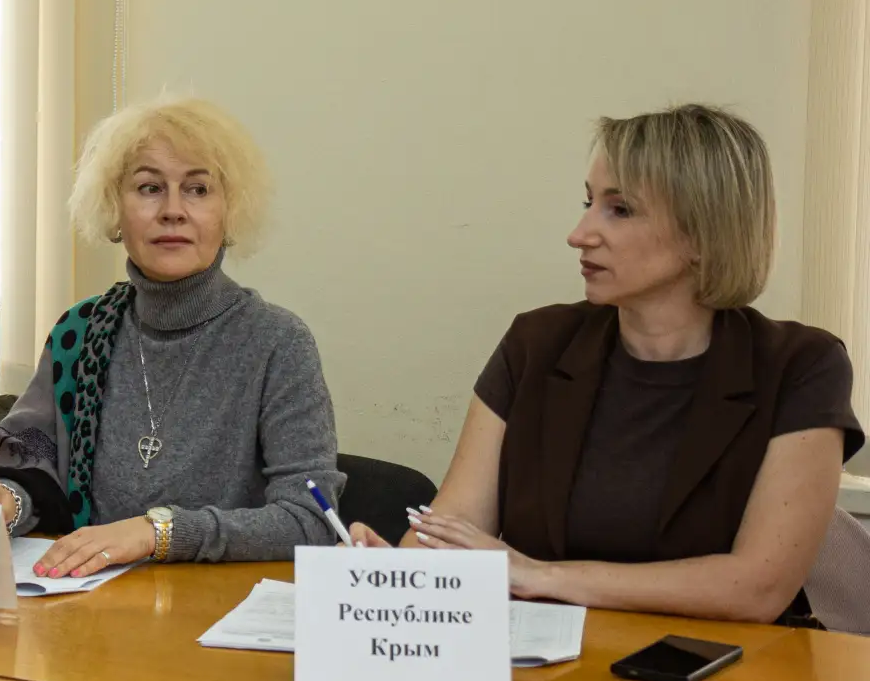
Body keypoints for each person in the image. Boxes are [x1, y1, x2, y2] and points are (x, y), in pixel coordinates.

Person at [351, 105, 861, 626]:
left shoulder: (800, 366)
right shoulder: (536, 343)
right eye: (588, 202)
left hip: (725, 666)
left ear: (702, 233)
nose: (579, 234)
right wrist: (400, 573)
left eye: (620, 209)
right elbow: (456, 524)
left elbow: (757, 588)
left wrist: (538, 576)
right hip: (544, 659)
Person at [0, 97, 344, 574]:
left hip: (219, 609)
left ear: (229, 211)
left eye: (198, 189)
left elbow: (310, 520)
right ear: (114, 209)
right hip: (87, 603)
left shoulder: (278, 342)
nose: (173, 210)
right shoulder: (80, 331)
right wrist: (8, 498)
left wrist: (158, 532)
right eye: (149, 188)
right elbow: (31, 465)